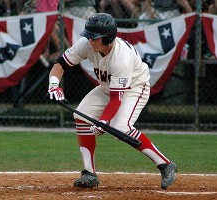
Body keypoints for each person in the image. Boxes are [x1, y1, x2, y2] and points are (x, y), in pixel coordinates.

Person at [47, 13, 177, 189]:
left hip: (134, 88)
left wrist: (103, 121)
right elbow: (60, 64)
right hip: (108, 87)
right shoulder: (86, 45)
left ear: (107, 39)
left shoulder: (121, 57)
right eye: (89, 36)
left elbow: (116, 100)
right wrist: (54, 85)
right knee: (81, 117)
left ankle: (165, 164)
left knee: (119, 128)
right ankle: (89, 173)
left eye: (94, 38)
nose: (90, 41)